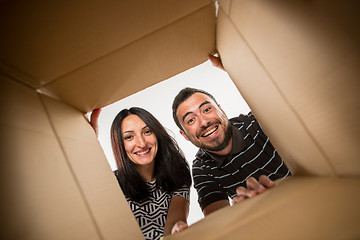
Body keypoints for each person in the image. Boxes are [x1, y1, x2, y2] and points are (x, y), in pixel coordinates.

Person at [171, 55, 291, 218]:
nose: (204, 122)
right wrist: (242, 213)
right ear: (184, 135)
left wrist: (237, 66)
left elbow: (287, 92)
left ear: (221, 109)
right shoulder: (202, 167)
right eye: (191, 120)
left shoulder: (257, 123)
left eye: (207, 110)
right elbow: (218, 220)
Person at [90, 107, 191, 240]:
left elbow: (174, 221)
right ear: (119, 144)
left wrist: (178, 229)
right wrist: (87, 144)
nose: (142, 143)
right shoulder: (112, 183)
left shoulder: (177, 173)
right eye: (129, 137)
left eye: (147, 131)